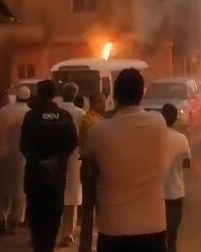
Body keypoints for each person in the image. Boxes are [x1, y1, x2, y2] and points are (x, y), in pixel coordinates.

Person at [88, 68, 168, 252]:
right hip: (152, 225)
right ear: (142, 94)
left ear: (115, 96)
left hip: (112, 225)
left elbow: (91, 172)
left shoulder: (98, 131)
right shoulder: (158, 122)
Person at [21, 79, 78, 252]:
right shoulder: (64, 116)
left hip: (35, 176)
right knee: (53, 217)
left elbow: (24, 145)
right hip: (56, 176)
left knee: (36, 216)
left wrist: (40, 161)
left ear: (38, 93)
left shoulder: (31, 116)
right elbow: (72, 143)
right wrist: (57, 160)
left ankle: (40, 246)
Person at [0, 86, 32, 235]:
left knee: (3, 189)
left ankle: (2, 219)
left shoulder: (4, 111)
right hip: (23, 157)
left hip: (3, 154)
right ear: (28, 98)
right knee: (20, 192)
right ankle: (16, 222)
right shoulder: (29, 113)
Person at [56, 83, 87, 248]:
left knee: (56, 195)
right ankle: (67, 234)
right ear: (75, 95)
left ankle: (53, 231)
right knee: (72, 197)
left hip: (55, 158)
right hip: (74, 158)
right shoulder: (80, 113)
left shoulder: (55, 111)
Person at [78, 93, 107, 252]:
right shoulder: (88, 120)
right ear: (92, 103)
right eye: (100, 101)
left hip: (99, 166)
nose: (103, 104)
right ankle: (85, 247)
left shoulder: (99, 120)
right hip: (90, 166)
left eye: (104, 101)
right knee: (89, 211)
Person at [161, 103, 191, 252]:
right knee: (172, 234)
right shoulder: (182, 139)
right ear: (175, 119)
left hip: (155, 193)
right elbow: (187, 163)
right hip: (175, 192)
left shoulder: (152, 137)